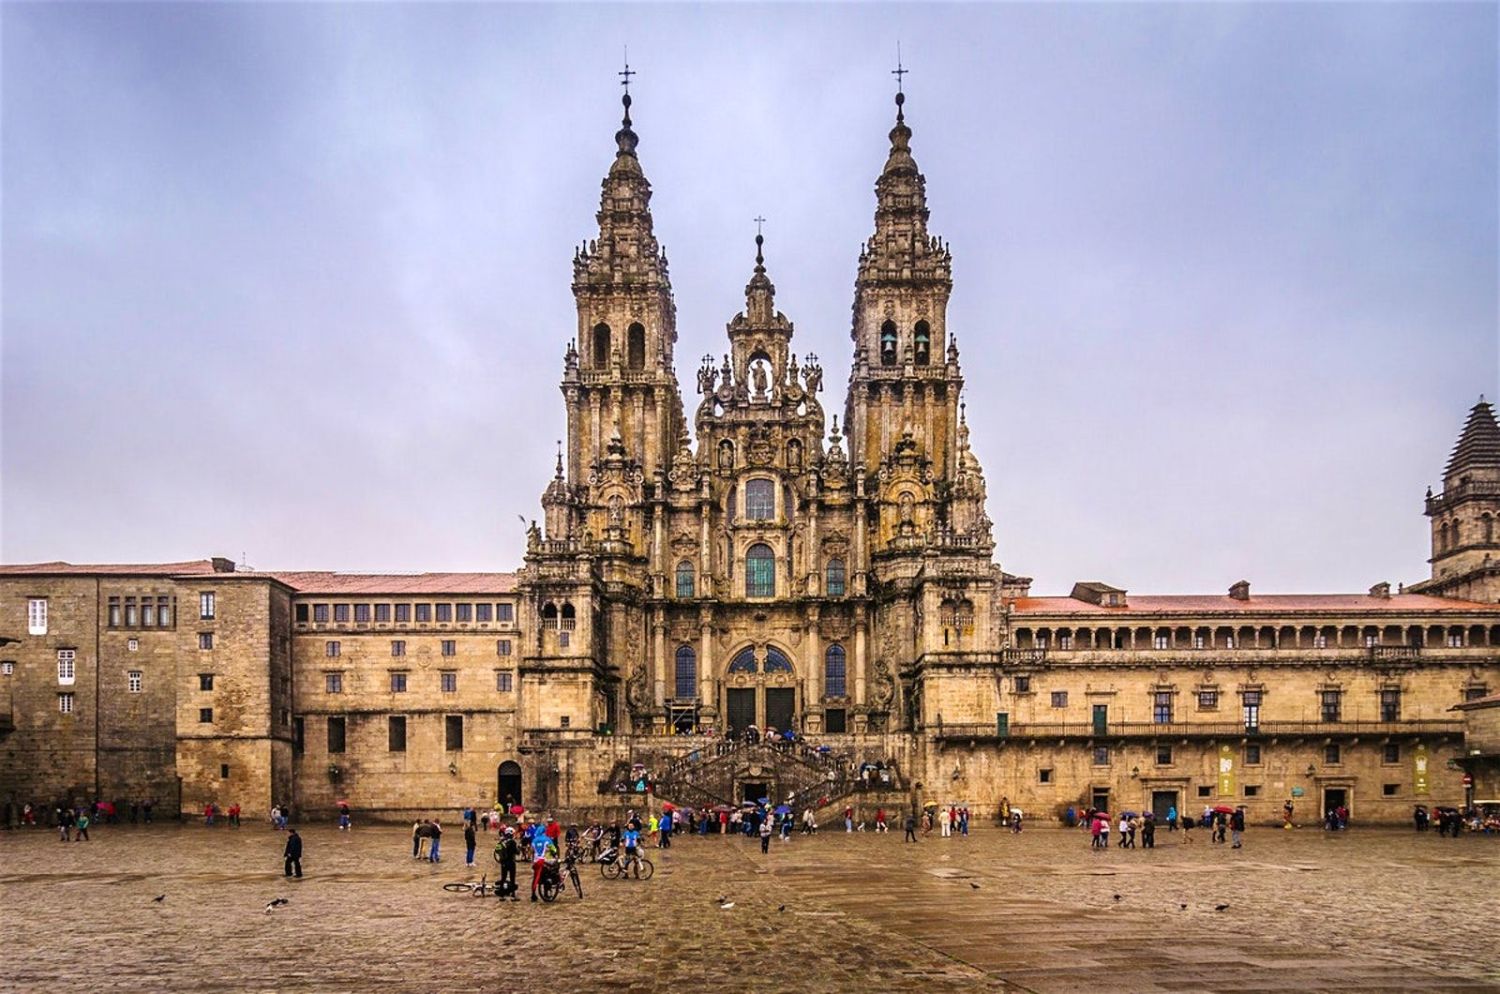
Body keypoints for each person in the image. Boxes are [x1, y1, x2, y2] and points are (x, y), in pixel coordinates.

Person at [497, 827, 520, 900]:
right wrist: (518, 848)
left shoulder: (502, 841)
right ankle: (513, 895)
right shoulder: (512, 842)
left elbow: (497, 851)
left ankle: (502, 895)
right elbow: (517, 852)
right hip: (511, 862)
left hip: (503, 862)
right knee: (512, 878)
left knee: (503, 878)